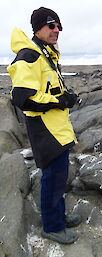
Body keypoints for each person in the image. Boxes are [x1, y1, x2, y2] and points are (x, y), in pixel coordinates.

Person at [7, 7, 82, 244]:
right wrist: (60, 101)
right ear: (37, 28)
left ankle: (57, 216)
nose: (56, 30)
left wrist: (66, 96)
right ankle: (52, 226)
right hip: (45, 129)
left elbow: (47, 89)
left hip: (57, 127)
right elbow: (23, 97)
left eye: (58, 26)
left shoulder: (47, 54)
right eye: (51, 25)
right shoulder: (29, 56)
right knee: (52, 177)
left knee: (59, 177)